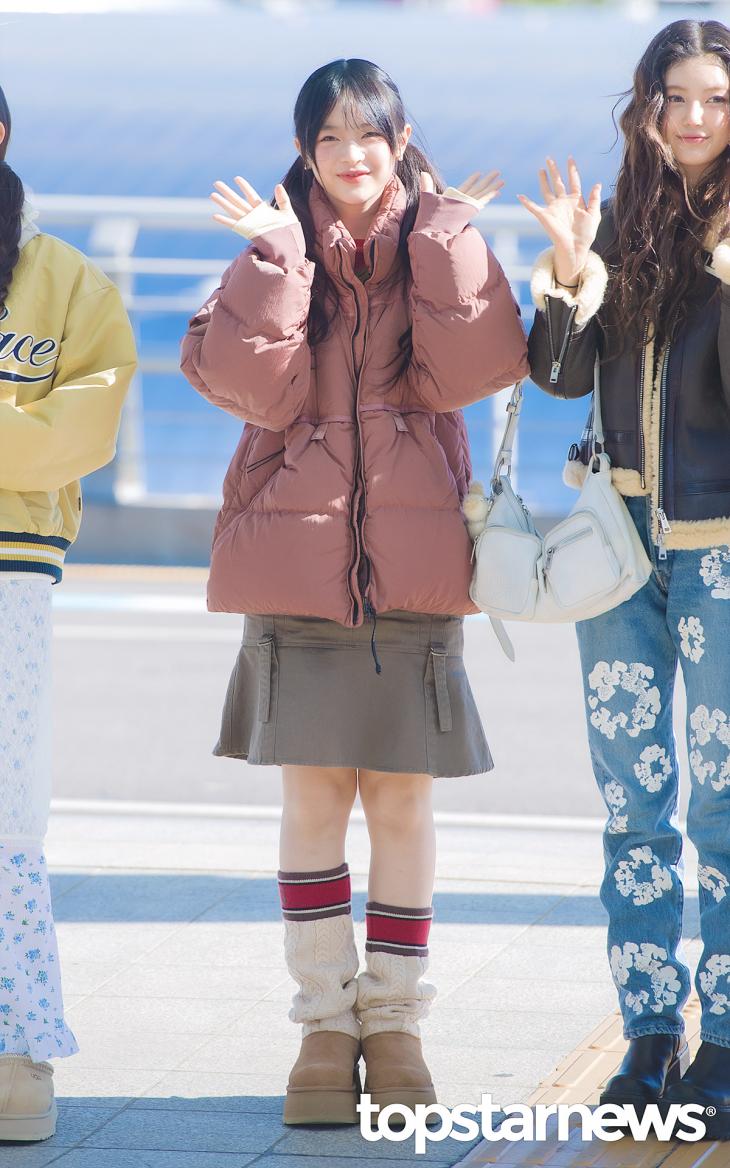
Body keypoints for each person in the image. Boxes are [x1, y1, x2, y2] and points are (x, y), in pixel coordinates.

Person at [181, 57, 527, 1126]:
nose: (349, 155)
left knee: (403, 799)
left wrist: (446, 240)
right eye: (326, 138)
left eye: (367, 133)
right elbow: (249, 387)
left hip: (416, 567)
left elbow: (474, 371)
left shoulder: (440, 236)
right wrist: (277, 260)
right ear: (303, 150)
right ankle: (325, 1026)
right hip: (298, 567)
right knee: (314, 797)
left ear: (401, 137)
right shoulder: (273, 246)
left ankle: (398, 1022)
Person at [522, 19, 730, 1140]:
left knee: (725, 804)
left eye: (716, 98)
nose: (694, 118)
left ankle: (727, 1038)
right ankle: (649, 1032)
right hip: (618, 548)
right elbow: (558, 380)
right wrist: (569, 273)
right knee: (631, 802)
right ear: (644, 106)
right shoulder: (619, 222)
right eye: (674, 97)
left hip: (722, 549)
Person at [0, 86, 137, 1142]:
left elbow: (86, 422)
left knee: (9, 815)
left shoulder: (62, 278)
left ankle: (17, 1046)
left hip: (9, 566)